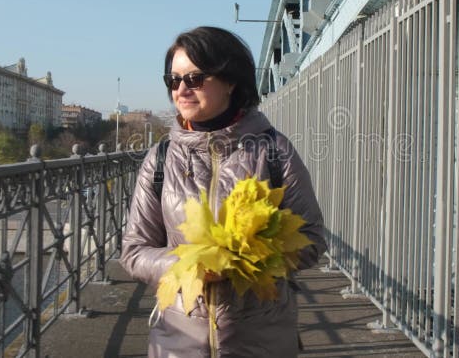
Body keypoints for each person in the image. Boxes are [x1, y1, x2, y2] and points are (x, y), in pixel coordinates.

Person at [120, 26, 327, 357]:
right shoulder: (160, 158)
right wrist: (193, 265)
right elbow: (134, 252)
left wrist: (246, 257)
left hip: (261, 342)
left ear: (231, 81)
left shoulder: (274, 151)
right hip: (178, 342)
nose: (182, 90)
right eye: (174, 80)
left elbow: (313, 240)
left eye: (195, 79)